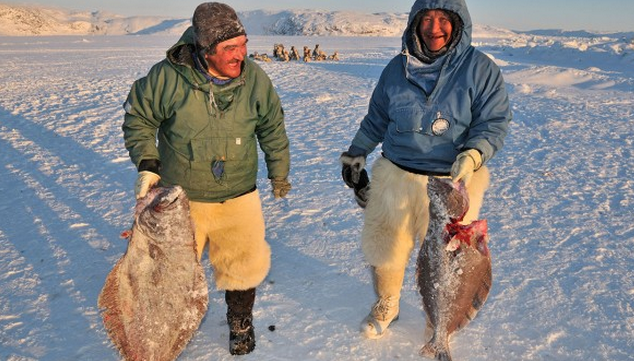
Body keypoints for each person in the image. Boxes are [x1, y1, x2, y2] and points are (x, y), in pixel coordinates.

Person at [122, 2, 291, 355]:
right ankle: (168, 327)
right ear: (206, 50)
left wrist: (279, 172)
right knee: (172, 272)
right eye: (230, 48)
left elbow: (272, 126)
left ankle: (240, 321)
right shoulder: (167, 77)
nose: (241, 54)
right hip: (182, 198)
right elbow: (138, 118)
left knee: (243, 264)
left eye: (243, 43)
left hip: (238, 193)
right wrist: (148, 164)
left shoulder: (255, 78)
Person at [340, 0, 511, 339]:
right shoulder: (395, 69)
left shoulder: (480, 69)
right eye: (427, 18)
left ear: (459, 23)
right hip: (396, 176)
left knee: (448, 262)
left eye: (444, 19)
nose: (435, 28)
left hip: (452, 184)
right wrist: (356, 153)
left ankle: (442, 318)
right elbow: (377, 118)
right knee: (386, 248)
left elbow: (494, 122)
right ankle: (387, 303)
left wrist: (475, 154)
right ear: (414, 23)